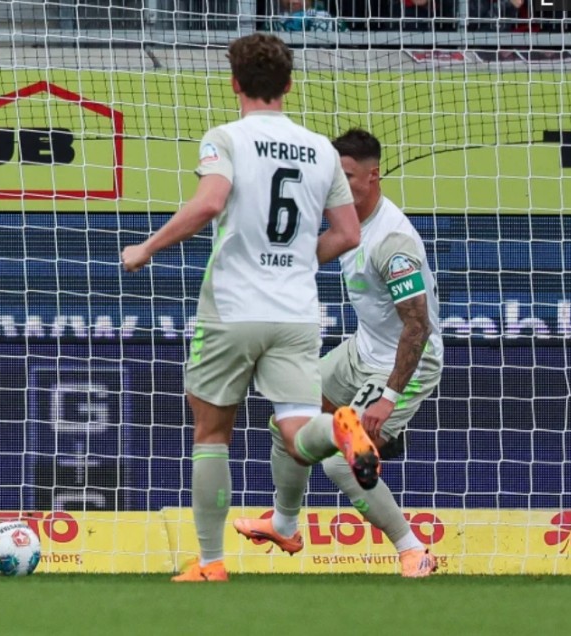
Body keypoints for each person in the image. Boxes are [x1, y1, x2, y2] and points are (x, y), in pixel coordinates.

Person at [121, 33, 363, 582]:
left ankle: (211, 563)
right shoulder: (322, 149)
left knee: (212, 434)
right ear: (289, 85)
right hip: (296, 311)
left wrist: (146, 249)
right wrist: (296, 261)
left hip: (232, 307)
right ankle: (339, 429)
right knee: (298, 432)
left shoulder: (226, 138)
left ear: (234, 83)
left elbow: (210, 202)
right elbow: (348, 233)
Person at [233, 129, 441, 577]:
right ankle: (284, 526)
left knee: (339, 461)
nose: (338, 185)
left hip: (407, 362)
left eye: (347, 176)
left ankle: (413, 550)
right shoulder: (347, 221)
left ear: (373, 176)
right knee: (285, 422)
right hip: (361, 351)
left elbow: (418, 326)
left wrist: (388, 397)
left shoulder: (393, 243)